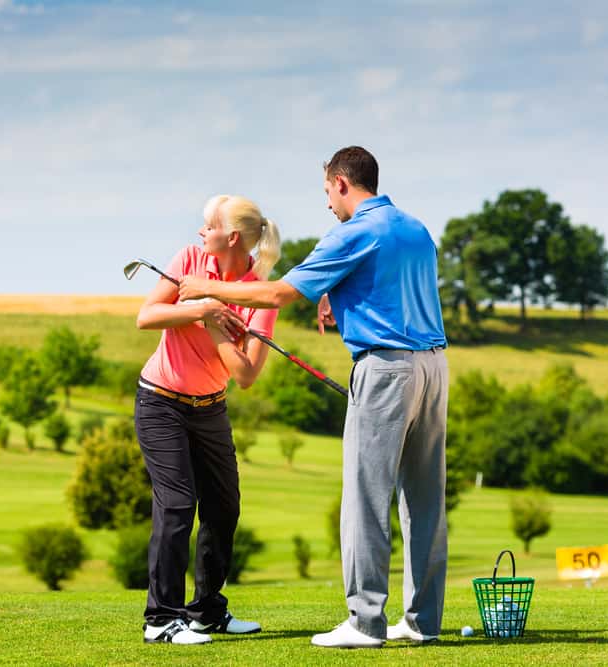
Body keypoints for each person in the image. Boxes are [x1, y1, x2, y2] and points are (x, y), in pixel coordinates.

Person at [178, 146, 449, 649]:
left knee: (366, 498)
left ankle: (365, 622)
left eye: (327, 190)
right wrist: (336, 295)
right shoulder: (415, 228)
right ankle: (421, 621)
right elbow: (388, 286)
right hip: (434, 368)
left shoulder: (353, 231)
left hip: (385, 369)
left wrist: (203, 289)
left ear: (343, 183)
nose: (327, 203)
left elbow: (279, 294)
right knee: (424, 500)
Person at [134, 194, 282, 645]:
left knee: (223, 507)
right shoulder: (190, 259)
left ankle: (206, 612)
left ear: (231, 236)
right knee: (178, 504)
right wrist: (201, 308)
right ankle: (160, 619)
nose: (201, 232)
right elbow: (147, 316)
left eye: (208, 225)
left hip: (210, 407)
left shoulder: (260, 294)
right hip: (161, 402)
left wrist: (215, 315)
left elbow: (246, 374)